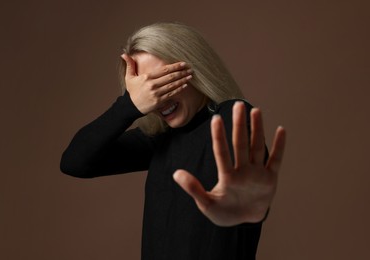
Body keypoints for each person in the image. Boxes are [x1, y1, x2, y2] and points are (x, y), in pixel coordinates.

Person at [60, 22, 286, 259]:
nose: (156, 99)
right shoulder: (160, 139)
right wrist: (128, 106)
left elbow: (238, 203)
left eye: (163, 83)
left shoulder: (230, 117)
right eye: (146, 90)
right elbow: (75, 162)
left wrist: (240, 214)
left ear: (194, 69)